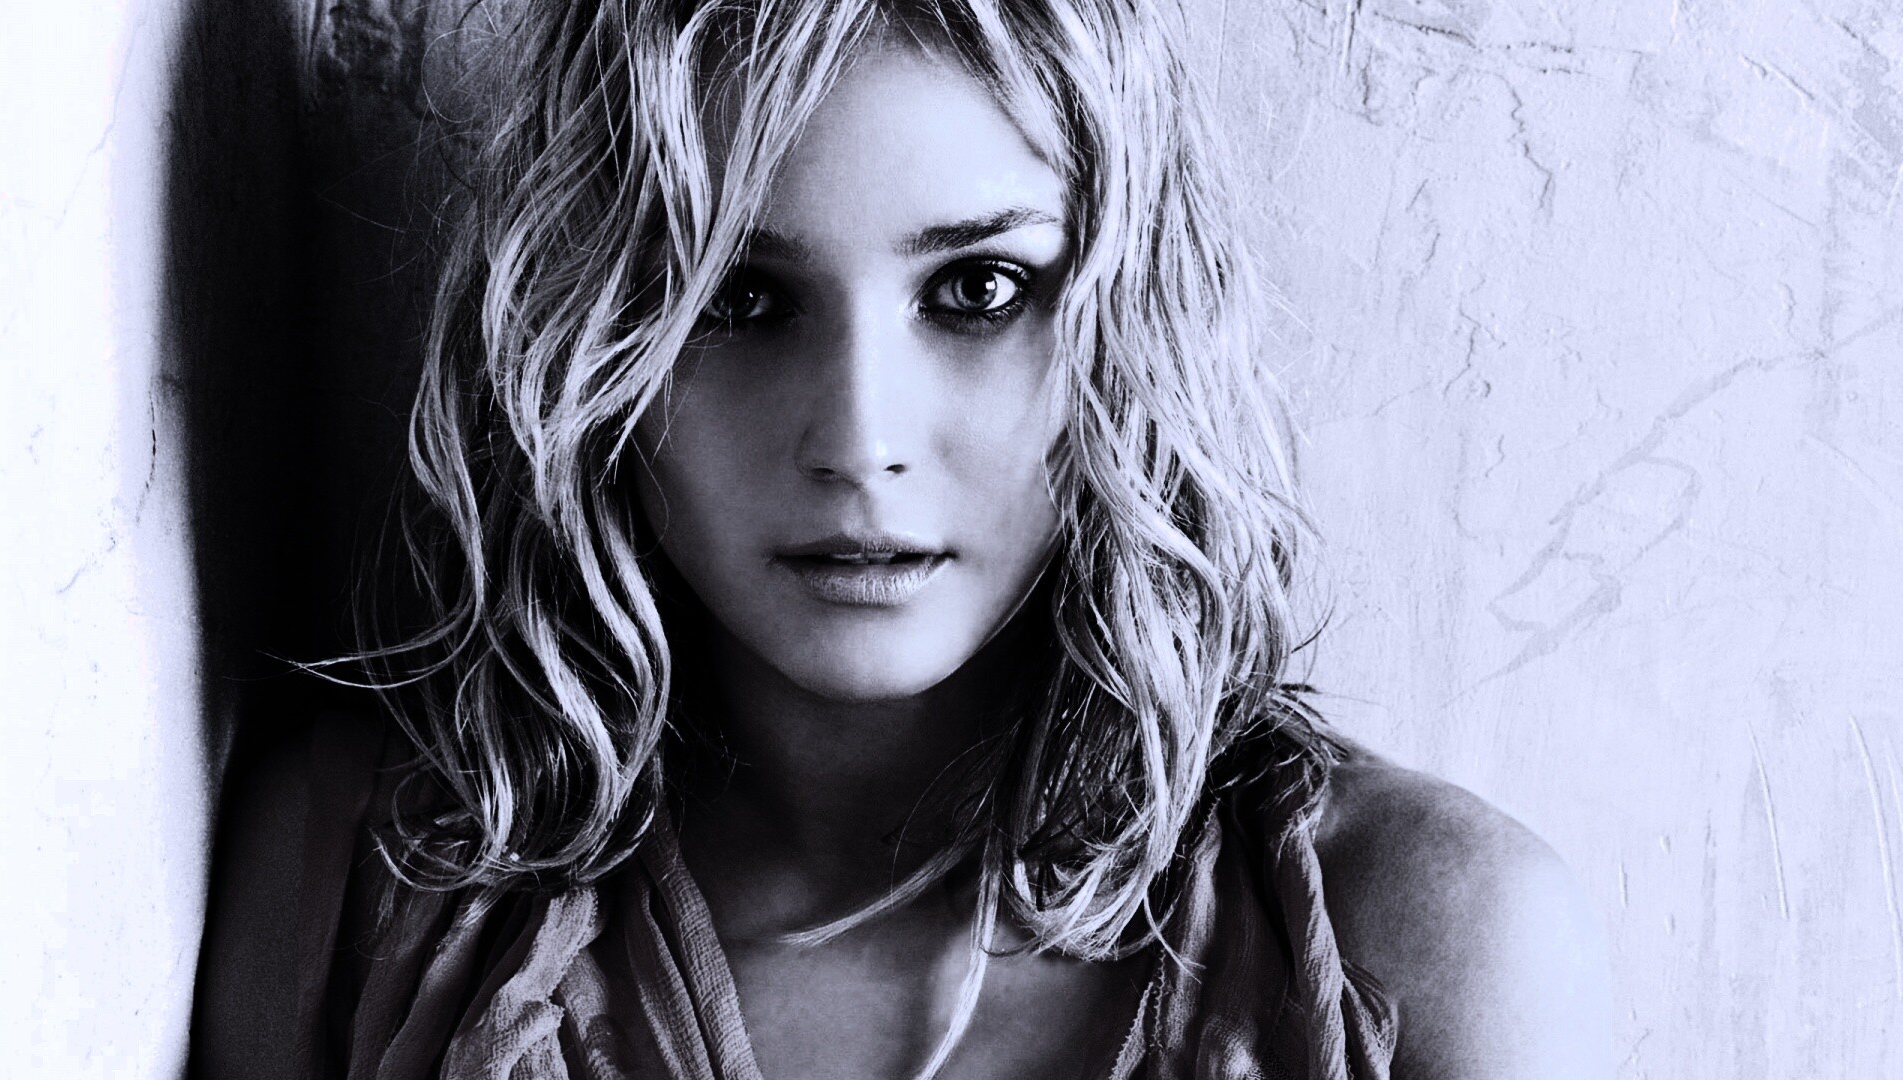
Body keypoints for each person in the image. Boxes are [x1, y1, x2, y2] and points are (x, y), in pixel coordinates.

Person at [195, 1, 1612, 1078]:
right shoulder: (376, 872)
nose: (858, 440)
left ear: (1131, 321)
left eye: (978, 290)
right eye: (737, 300)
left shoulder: (1411, 938)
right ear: (595, 335)